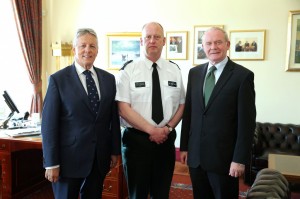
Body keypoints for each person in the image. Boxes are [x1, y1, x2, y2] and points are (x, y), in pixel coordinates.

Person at [41, 28, 121, 199]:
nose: (87, 50)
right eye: (82, 45)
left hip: (98, 158)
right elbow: (49, 125)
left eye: (92, 46)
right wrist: (51, 163)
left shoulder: (108, 79)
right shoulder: (58, 80)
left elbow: (113, 118)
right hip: (68, 160)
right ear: (74, 49)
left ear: (97, 50)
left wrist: (115, 150)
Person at [180, 27, 256, 199]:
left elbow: (247, 123)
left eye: (218, 42)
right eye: (208, 43)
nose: (213, 47)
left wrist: (239, 159)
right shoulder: (195, 73)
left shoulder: (242, 76)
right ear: (203, 46)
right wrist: (184, 146)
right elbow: (189, 113)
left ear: (227, 44)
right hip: (196, 157)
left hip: (225, 160)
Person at [116, 22, 185, 199]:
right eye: (148, 37)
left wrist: (167, 128)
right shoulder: (128, 70)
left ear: (164, 41)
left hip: (165, 141)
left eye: (157, 37)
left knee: (161, 193)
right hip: (136, 143)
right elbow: (123, 108)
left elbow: (182, 105)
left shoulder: (174, 70)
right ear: (141, 41)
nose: (152, 40)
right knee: (137, 194)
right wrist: (151, 130)